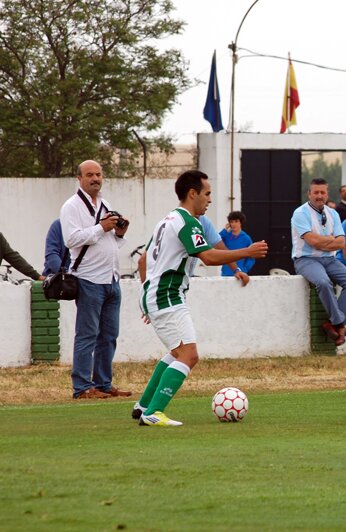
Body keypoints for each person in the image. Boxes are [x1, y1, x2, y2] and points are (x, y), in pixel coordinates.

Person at [134, 170, 268, 426]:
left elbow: (143, 260)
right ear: (192, 193)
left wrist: (146, 297)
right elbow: (207, 256)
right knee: (189, 355)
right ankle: (154, 413)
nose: (209, 200)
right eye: (207, 194)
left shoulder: (165, 220)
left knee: (177, 352)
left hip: (157, 295)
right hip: (168, 295)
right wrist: (247, 252)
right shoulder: (187, 222)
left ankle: (143, 406)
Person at [60, 160, 131, 400]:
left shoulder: (104, 204)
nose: (95, 179)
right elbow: (71, 240)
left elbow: (109, 242)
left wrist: (118, 233)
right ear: (79, 179)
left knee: (109, 335)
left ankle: (103, 383)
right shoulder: (71, 207)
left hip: (111, 278)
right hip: (89, 279)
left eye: (99, 174)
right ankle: (82, 387)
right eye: (90, 175)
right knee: (87, 335)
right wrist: (101, 227)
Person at [292, 178, 346, 346]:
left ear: (327, 194)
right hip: (306, 259)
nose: (319, 196)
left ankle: (332, 324)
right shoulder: (300, 213)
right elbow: (311, 242)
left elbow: (341, 243)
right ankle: (339, 324)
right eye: (315, 192)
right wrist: (330, 239)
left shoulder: (333, 213)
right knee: (323, 282)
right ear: (309, 193)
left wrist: (324, 241)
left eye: (322, 192)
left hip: (330, 259)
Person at [219, 211, 255, 277]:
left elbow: (251, 257)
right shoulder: (225, 235)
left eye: (236, 221)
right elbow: (215, 241)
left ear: (240, 222)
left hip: (240, 275)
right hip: (225, 273)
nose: (233, 224)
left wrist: (244, 270)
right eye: (231, 222)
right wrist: (224, 230)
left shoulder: (246, 238)